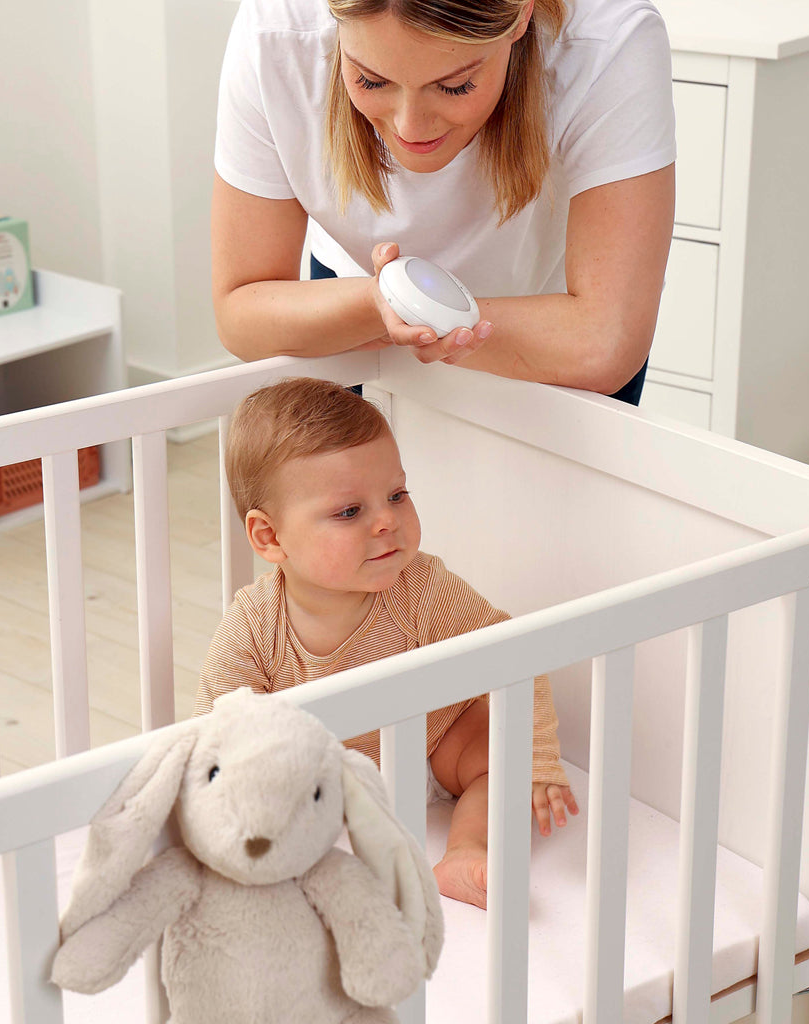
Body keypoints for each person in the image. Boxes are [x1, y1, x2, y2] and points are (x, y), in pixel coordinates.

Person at [195, 378, 578, 909]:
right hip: (327, 778)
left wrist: (537, 759)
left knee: (500, 752)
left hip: (437, 743)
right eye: (349, 511)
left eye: (397, 495)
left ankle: (467, 850)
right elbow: (217, 731)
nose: (387, 522)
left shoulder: (421, 588)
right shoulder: (254, 624)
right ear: (270, 537)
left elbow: (514, 652)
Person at [211, 0, 676, 405]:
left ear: (521, 16)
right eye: (370, 80)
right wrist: (373, 305)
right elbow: (240, 313)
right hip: (350, 299)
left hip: (549, 335)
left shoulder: (608, 40)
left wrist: (405, 309)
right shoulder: (276, 31)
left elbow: (603, 343)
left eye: (455, 86)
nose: (410, 128)